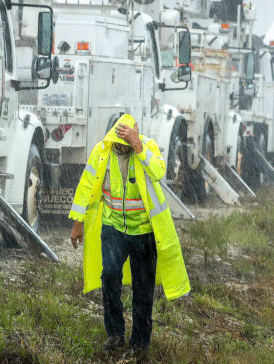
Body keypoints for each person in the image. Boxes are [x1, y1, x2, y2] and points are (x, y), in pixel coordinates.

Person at [69, 114, 190, 358]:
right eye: (118, 140)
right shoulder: (102, 152)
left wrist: (138, 146)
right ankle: (114, 332)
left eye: (125, 140)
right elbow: (86, 185)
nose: (120, 146)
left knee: (143, 289)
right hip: (113, 227)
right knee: (110, 274)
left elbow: (157, 171)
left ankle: (140, 343)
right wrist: (77, 223)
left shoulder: (147, 146)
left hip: (143, 231)